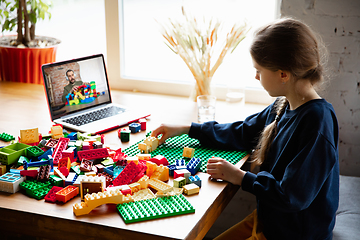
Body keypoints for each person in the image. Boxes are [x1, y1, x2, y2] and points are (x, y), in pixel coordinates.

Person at [151, 18, 339, 240]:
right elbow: (242, 132)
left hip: (292, 234)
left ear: (283, 74)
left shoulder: (317, 123)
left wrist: (240, 177)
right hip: (268, 221)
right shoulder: (284, 104)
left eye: (259, 69)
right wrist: (187, 128)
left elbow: (291, 197)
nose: (256, 76)